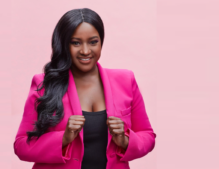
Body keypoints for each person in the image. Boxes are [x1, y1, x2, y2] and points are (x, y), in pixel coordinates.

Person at [13, 8, 157, 169]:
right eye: (76, 42)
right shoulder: (45, 84)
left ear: (101, 41)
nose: (85, 51)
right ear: (64, 44)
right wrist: (64, 139)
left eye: (93, 42)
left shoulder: (126, 80)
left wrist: (125, 141)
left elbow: (147, 136)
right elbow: (21, 145)